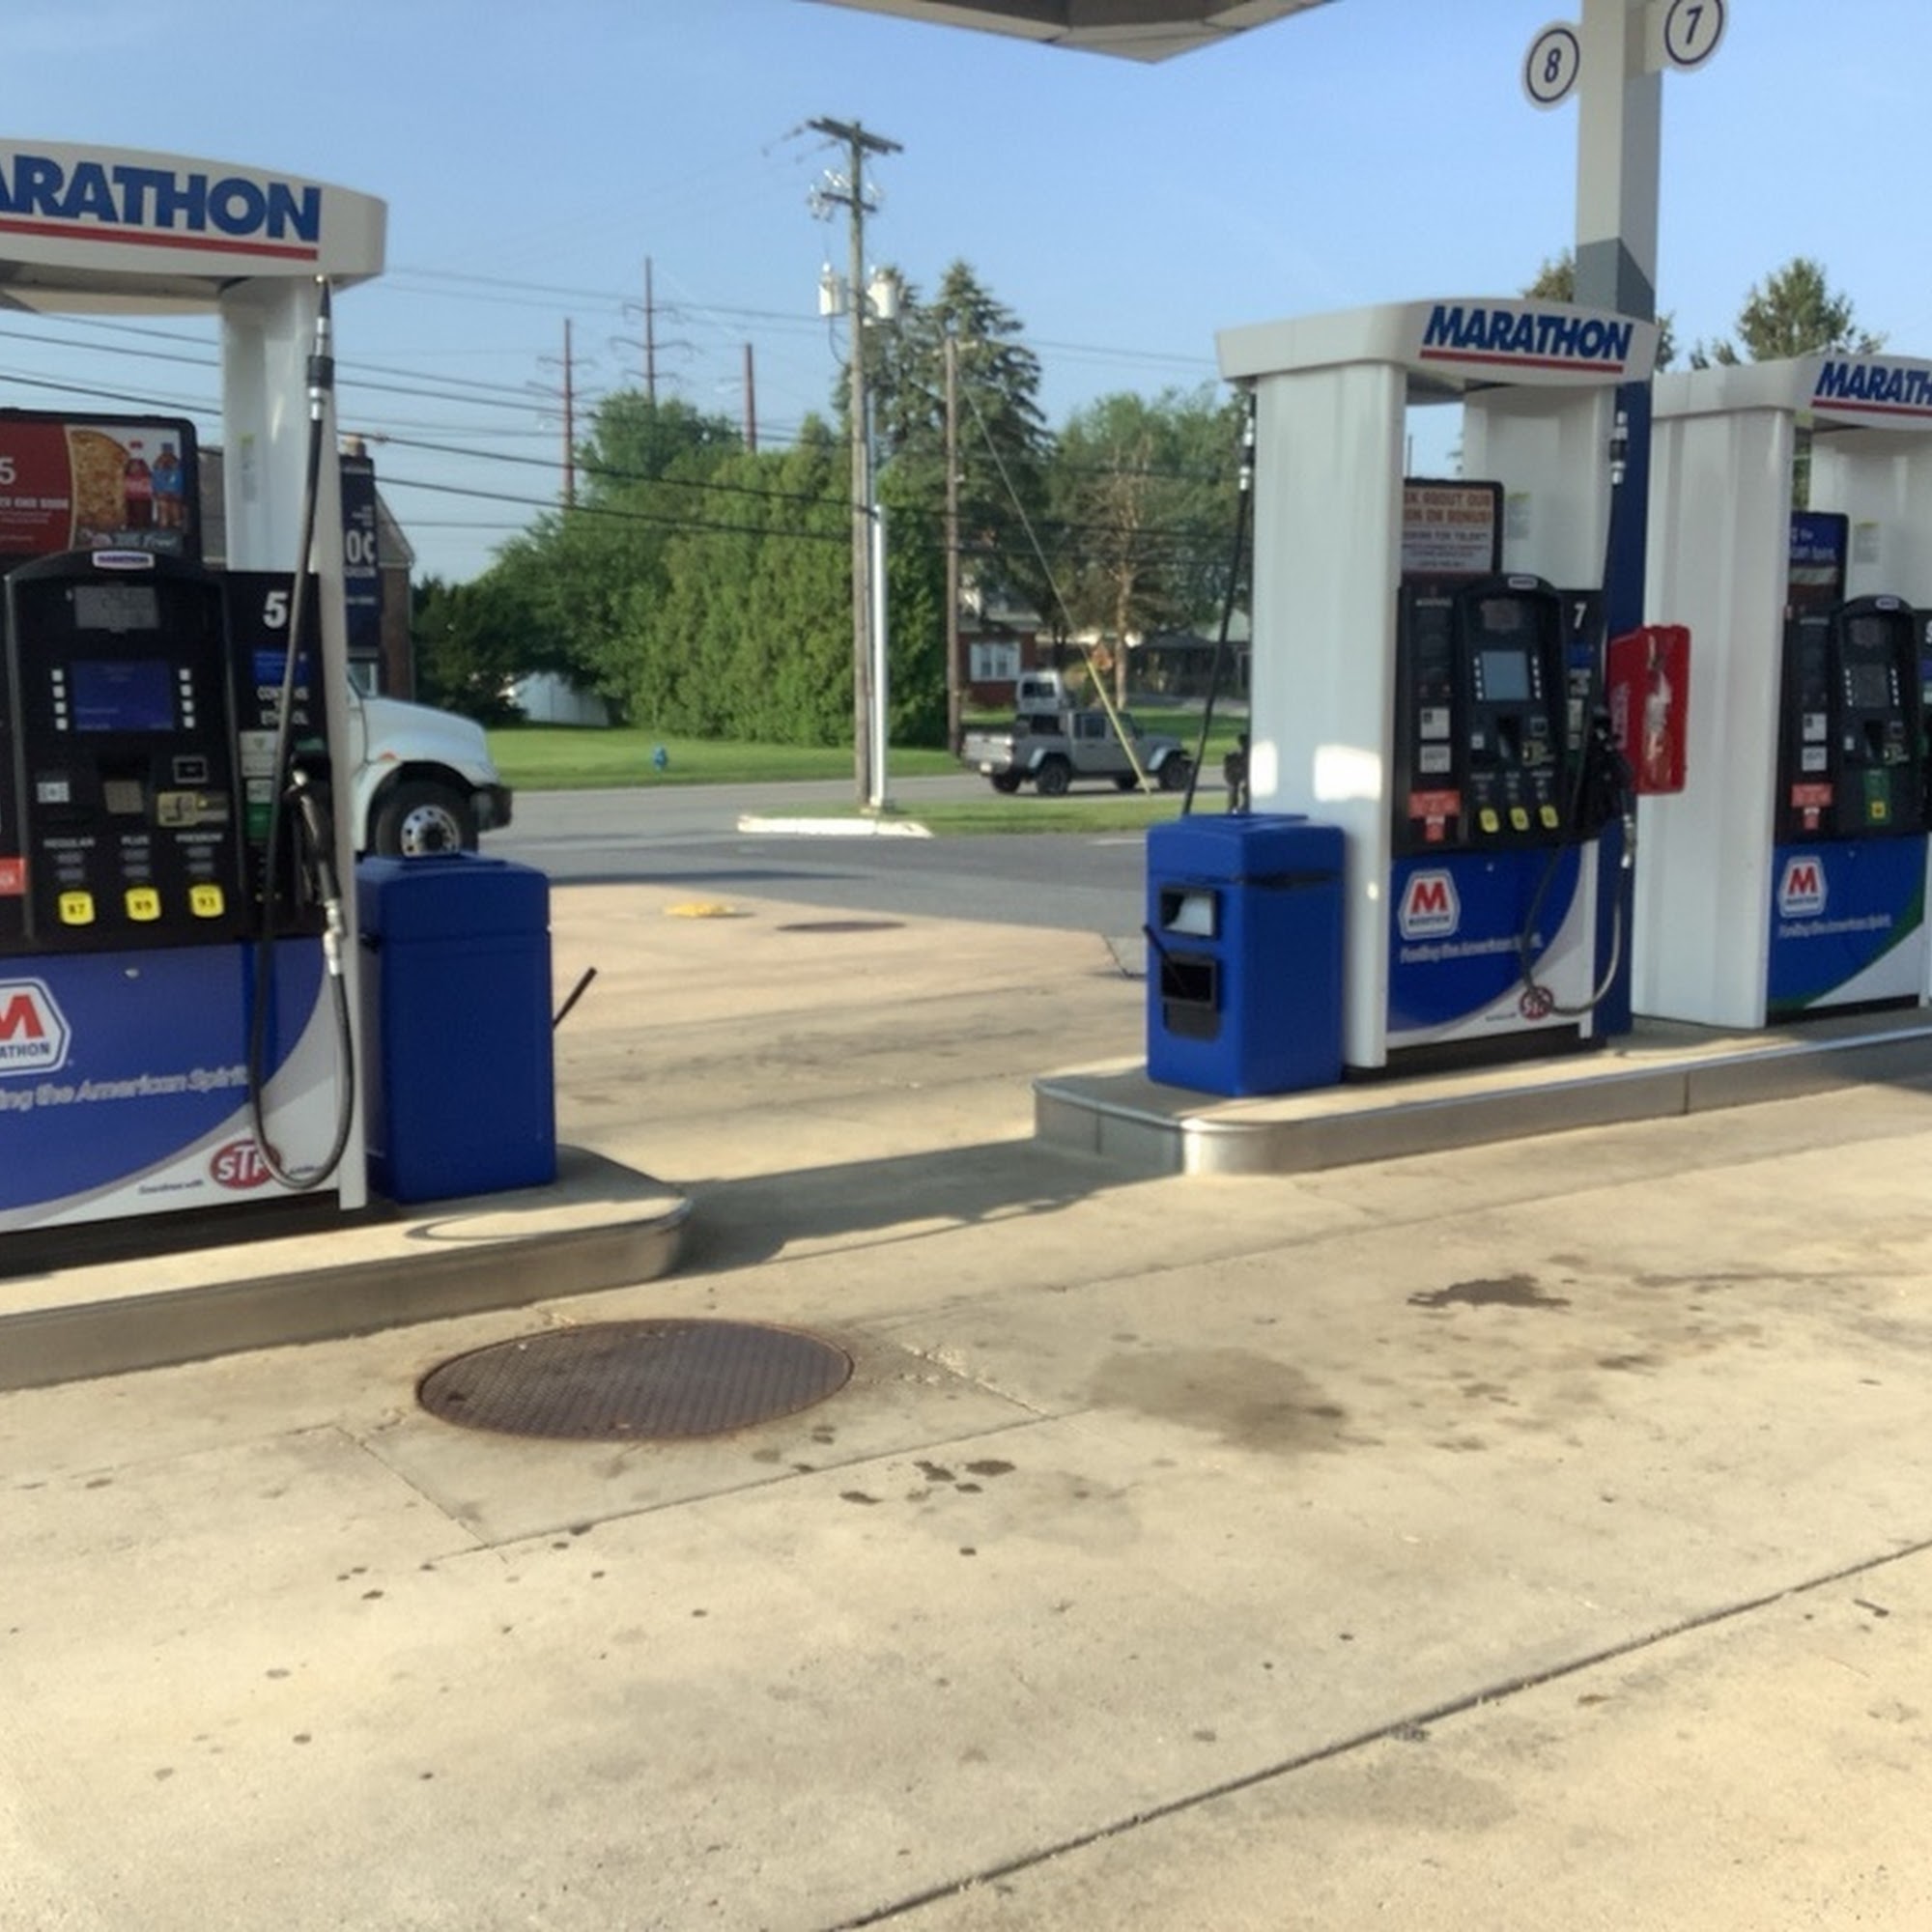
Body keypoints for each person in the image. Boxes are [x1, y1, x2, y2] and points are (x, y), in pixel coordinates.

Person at [1223, 731, 1250, 813]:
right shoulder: (1236, 757)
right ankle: (1234, 809)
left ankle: (1234, 808)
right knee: (1234, 788)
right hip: (1238, 784)